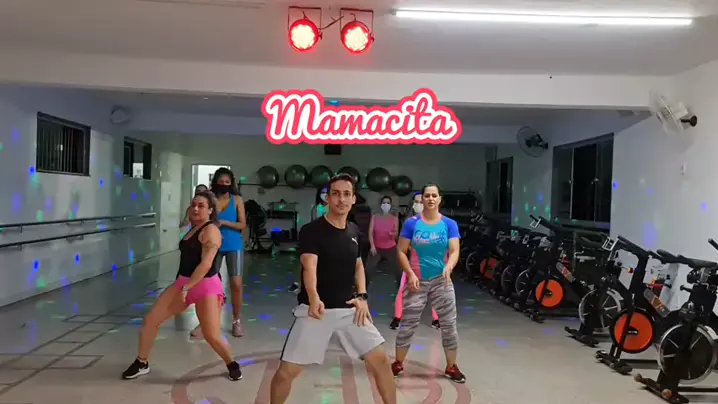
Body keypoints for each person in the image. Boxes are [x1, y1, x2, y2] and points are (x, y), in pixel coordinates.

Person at [270, 174, 396, 404]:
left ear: (354, 199)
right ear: (327, 198)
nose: (341, 199)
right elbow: (309, 266)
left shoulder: (354, 230)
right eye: (336, 194)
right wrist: (314, 297)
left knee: (382, 362)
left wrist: (362, 296)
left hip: (349, 309)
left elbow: (358, 265)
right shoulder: (312, 230)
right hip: (316, 311)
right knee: (287, 373)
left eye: (347, 194)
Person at [122, 190, 242, 381]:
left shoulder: (211, 231)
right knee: (151, 320)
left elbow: (206, 264)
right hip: (183, 282)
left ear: (210, 210)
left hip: (205, 286)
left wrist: (187, 288)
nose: (195, 209)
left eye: (201, 206)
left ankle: (232, 364)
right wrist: (183, 285)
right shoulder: (193, 228)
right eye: (193, 205)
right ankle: (141, 362)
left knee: (211, 335)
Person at [391, 184, 465, 383]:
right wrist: (410, 274)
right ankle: (398, 363)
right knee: (408, 324)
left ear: (439, 199)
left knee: (449, 325)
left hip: (442, 281)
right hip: (416, 282)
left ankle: (451, 366)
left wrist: (449, 266)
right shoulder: (411, 224)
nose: (431, 199)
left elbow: (455, 250)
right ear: (421, 199)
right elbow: (401, 251)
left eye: (434, 195)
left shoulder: (449, 224)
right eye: (427, 195)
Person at [191, 168, 247, 338]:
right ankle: (205, 322)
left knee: (236, 283)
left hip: (233, 245)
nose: (224, 184)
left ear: (231, 183)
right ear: (215, 182)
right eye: (221, 181)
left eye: (227, 182)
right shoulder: (210, 200)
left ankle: (236, 320)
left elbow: (242, 225)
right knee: (210, 285)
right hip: (212, 244)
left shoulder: (237, 200)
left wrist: (224, 223)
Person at [389, 192, 440, 331]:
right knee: (402, 291)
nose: (418, 204)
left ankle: (436, 319)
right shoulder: (410, 223)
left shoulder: (437, 222)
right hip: (412, 263)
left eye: (421, 201)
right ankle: (397, 318)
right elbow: (402, 246)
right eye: (416, 202)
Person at [288, 186, 328, 293]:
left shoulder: (332, 207)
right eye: (323, 192)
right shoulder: (317, 208)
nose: (325, 194)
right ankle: (302, 284)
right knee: (308, 264)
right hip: (317, 238)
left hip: (329, 239)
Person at [364, 196, 400, 289]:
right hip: (376, 247)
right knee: (368, 269)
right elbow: (370, 232)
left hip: (391, 247)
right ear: (380, 205)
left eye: (388, 203)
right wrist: (372, 246)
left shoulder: (394, 218)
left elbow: (396, 234)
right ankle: (363, 289)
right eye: (384, 203)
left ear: (391, 205)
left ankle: (401, 289)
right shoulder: (375, 217)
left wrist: (392, 234)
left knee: (398, 269)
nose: (386, 205)